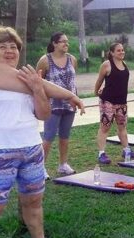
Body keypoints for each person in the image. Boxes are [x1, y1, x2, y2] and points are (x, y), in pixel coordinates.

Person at [0, 26, 83, 238]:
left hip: (31, 149)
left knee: (33, 201)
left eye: (13, 46)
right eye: (2, 46)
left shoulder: (28, 79)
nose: (9, 51)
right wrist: (67, 94)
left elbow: (44, 114)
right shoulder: (19, 77)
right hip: (1, 150)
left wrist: (38, 88)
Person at [36, 32, 78, 179]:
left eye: (67, 41)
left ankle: (63, 165)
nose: (66, 44)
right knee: (48, 136)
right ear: (54, 43)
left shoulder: (72, 59)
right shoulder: (45, 60)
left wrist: (74, 98)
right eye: (62, 42)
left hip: (69, 105)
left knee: (65, 136)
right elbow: (38, 83)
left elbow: (73, 81)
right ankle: (40, 168)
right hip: (52, 105)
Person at [95, 42, 134, 164]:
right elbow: (99, 80)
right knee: (105, 127)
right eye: (119, 50)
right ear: (112, 53)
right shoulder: (107, 65)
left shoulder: (124, 64)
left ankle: (126, 150)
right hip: (108, 101)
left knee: (122, 127)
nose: (122, 52)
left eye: (122, 50)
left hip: (121, 102)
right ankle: (101, 154)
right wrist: (96, 91)